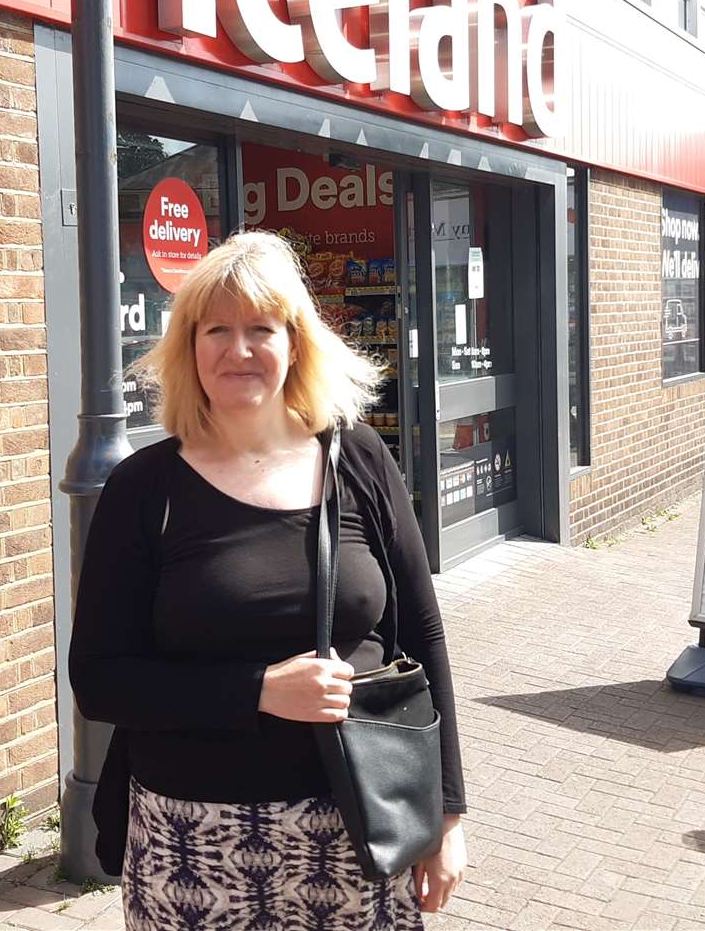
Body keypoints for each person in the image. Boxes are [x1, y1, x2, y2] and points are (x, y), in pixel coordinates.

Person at [70, 231, 466, 930]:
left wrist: (448, 813)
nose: (239, 349)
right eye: (216, 329)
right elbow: (100, 679)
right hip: (190, 840)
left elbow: (421, 637)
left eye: (261, 328)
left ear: (296, 342)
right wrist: (258, 692)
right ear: (188, 349)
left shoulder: (359, 458)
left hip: (358, 820)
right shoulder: (144, 489)